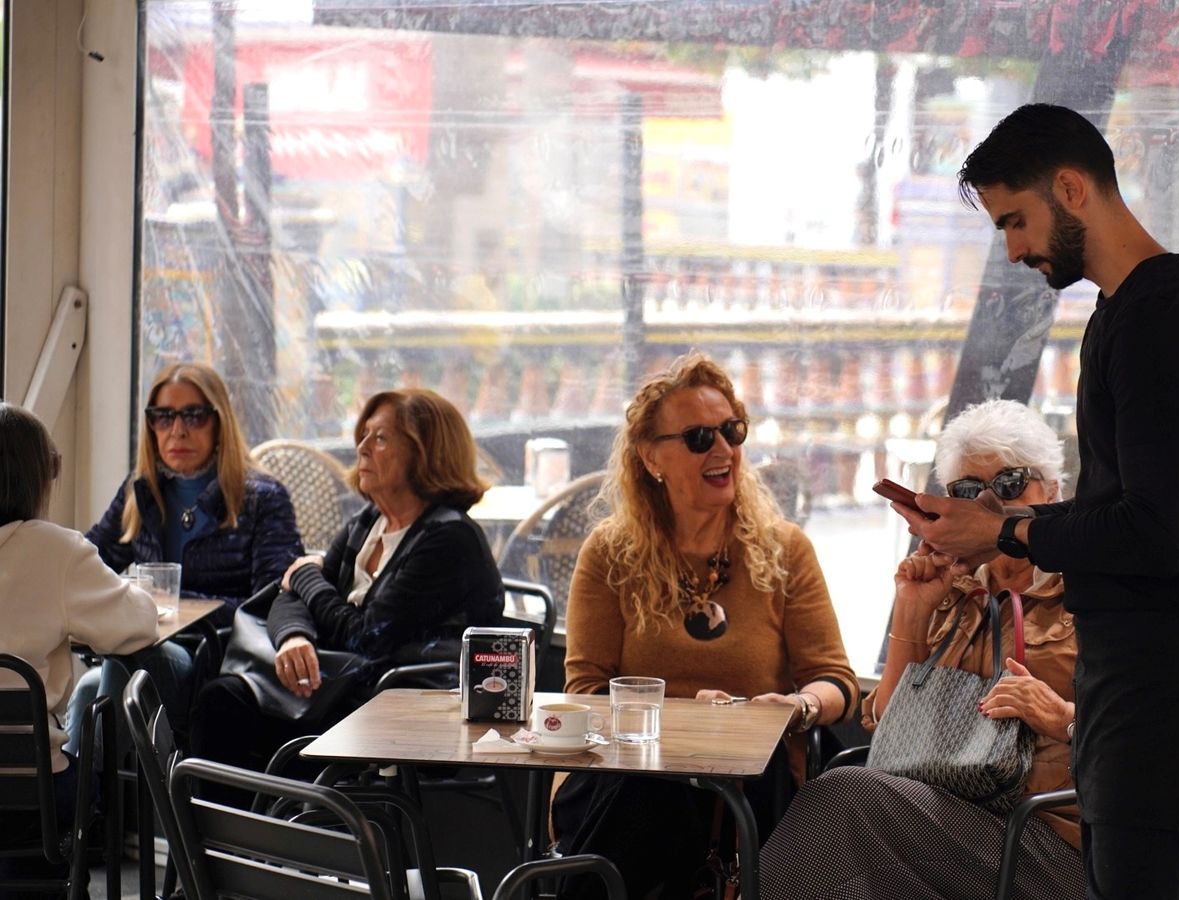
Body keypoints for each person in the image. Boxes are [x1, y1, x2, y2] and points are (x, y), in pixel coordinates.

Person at [889, 104, 1179, 900]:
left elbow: (1157, 534)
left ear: (1070, 188)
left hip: (1164, 669)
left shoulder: (1161, 322)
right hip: (1144, 663)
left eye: (1016, 221)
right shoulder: (1127, 314)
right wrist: (1000, 532)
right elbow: (1126, 512)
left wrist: (1010, 530)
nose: (1014, 248)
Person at [556, 351, 858, 900]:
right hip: (632, 773)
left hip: (750, 775)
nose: (723, 449)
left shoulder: (785, 549)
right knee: (659, 789)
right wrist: (685, 720)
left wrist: (799, 707)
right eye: (699, 437)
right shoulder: (609, 554)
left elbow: (834, 680)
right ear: (652, 458)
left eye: (732, 431)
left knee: (715, 791)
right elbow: (587, 692)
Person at [761, 399, 1085, 899]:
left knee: (842, 799)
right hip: (936, 824)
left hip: (1048, 843)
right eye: (970, 491)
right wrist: (912, 612)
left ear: (1056, 491)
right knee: (841, 822)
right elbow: (890, 736)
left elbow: (1146, 747)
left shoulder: (1091, 599)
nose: (990, 506)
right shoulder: (955, 595)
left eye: (1011, 484)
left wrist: (1058, 715)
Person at [189, 389, 503, 797]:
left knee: (226, 712)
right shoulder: (369, 522)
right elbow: (286, 596)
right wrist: (294, 635)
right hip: (345, 686)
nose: (362, 447)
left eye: (381, 438)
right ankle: (223, 848)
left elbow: (366, 636)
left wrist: (305, 576)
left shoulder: (449, 538)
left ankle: (245, 846)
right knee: (219, 693)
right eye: (364, 434)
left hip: (400, 706)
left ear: (426, 453)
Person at [69, 362, 303, 746]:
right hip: (150, 655)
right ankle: (77, 803)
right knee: (87, 689)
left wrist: (165, 603)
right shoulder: (141, 491)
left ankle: (103, 804)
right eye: (163, 417)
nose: (177, 429)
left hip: (219, 663)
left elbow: (271, 603)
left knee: (123, 663)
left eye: (193, 415)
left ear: (219, 422)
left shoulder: (262, 497)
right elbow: (87, 565)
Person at [0, 404, 159, 886]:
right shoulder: (54, 549)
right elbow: (137, 626)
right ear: (38, 479)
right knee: (84, 755)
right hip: (27, 795)